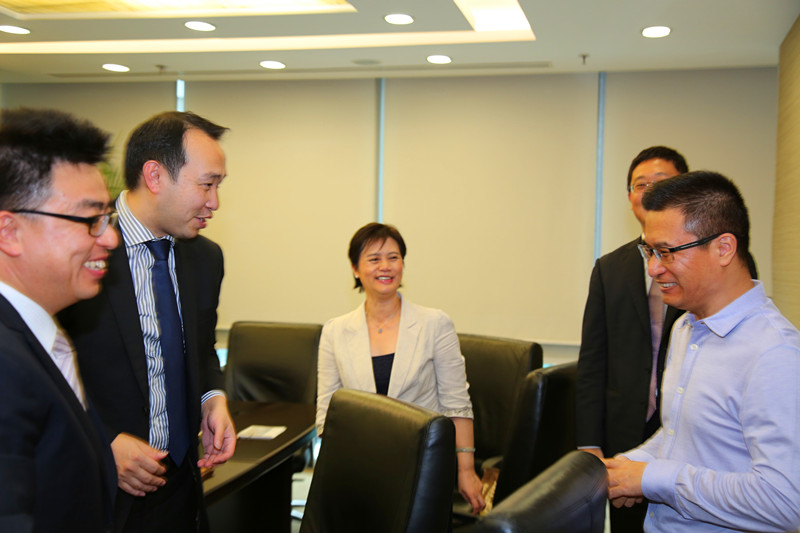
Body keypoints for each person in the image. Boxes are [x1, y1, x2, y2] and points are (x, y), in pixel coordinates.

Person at [59, 111, 236, 533]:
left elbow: (201, 347)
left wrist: (212, 398)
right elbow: (46, 368)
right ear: (155, 176)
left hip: (181, 487)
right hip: (101, 493)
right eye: (206, 184)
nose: (215, 202)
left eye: (219, 186)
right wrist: (102, 440)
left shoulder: (205, 258)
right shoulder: (81, 250)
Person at [605, 171, 800, 532]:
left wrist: (653, 479)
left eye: (666, 252)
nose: (653, 268)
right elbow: (680, 436)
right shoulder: (685, 327)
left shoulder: (775, 354)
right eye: (649, 251)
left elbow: (785, 502)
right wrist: (629, 467)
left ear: (723, 248)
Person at [0, 108, 118, 531]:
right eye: (90, 220)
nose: (110, 238)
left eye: (108, 218)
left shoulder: (36, 336)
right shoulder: (5, 363)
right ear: (9, 232)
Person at [316, 222, 486, 515]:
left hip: (424, 462)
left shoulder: (434, 324)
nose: (385, 266)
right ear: (355, 269)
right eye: (374, 259)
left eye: (393, 257)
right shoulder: (335, 331)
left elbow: (456, 403)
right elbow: (327, 413)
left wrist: (466, 470)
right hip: (361, 465)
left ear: (403, 264)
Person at [575, 146, 688, 532]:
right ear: (629, 197)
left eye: (663, 182)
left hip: (688, 436)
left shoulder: (708, 261)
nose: (651, 191)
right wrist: (589, 444)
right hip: (623, 433)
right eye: (641, 184)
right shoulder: (609, 268)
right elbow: (593, 360)